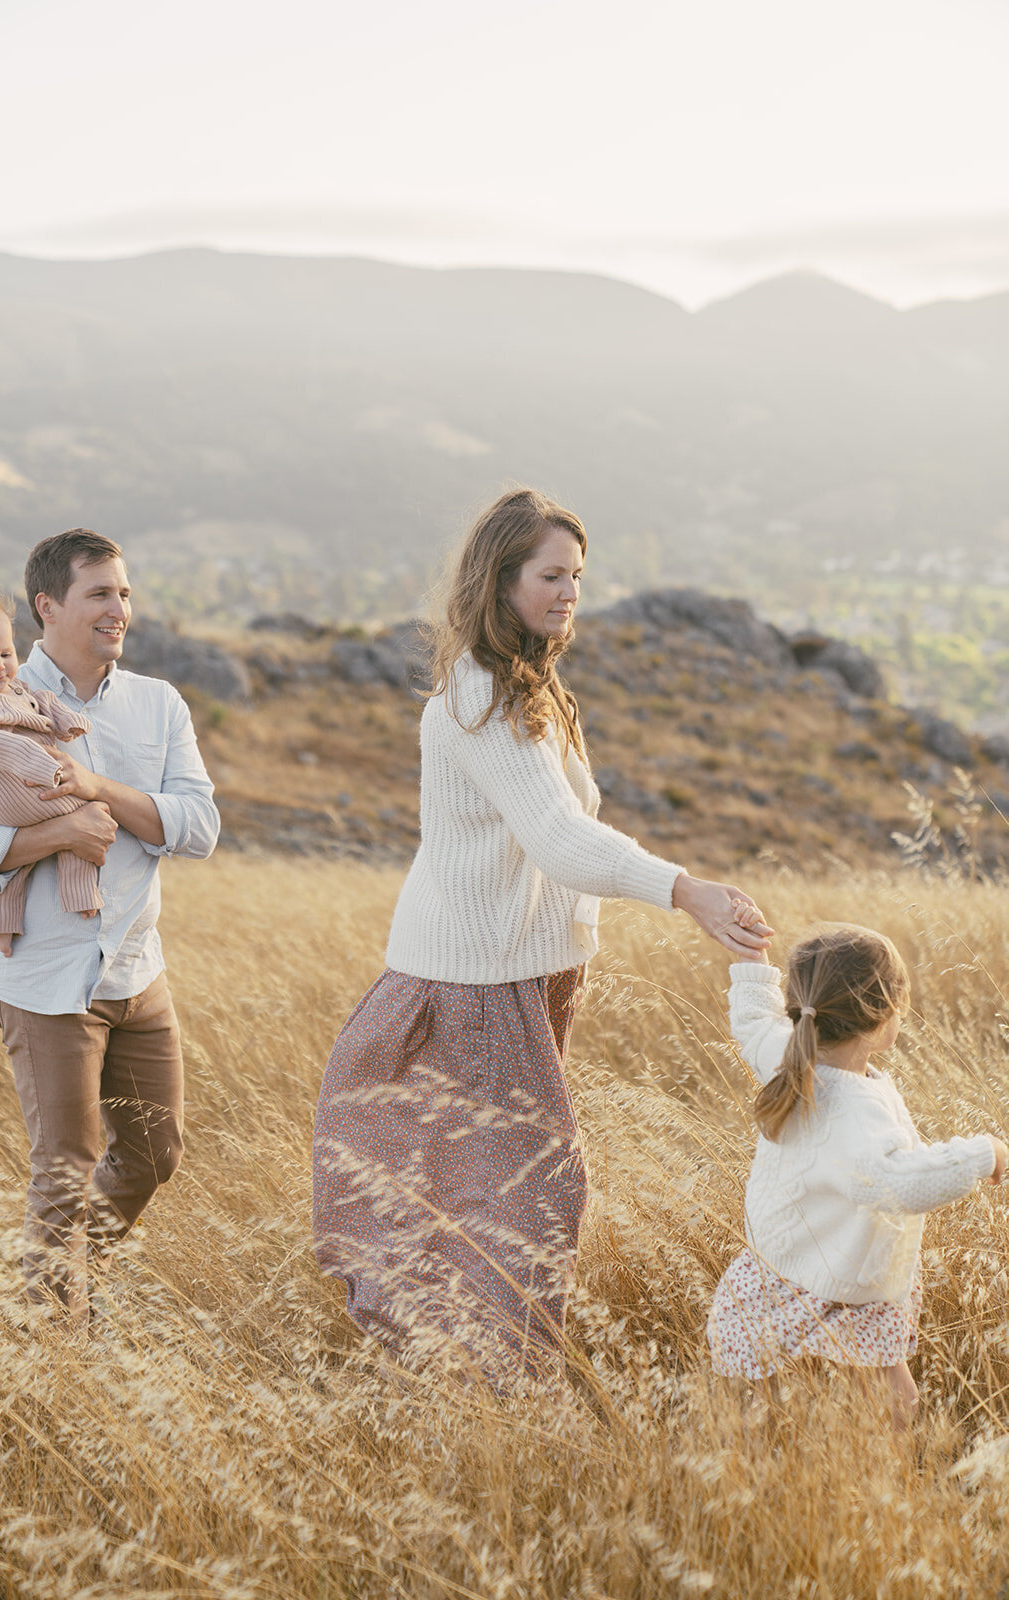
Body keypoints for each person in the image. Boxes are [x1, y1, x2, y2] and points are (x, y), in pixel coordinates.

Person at [312, 486, 772, 1380]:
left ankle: (464, 1371)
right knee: (533, 1196)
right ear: (500, 580)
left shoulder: (530, 685)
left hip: (523, 974)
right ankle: (509, 1386)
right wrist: (686, 891)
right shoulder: (479, 695)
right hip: (477, 984)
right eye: (550, 576)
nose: (569, 593)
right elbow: (558, 838)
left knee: (488, 1191)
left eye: (577, 577)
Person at [0, 528, 220, 1325]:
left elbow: (199, 827)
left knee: (155, 1154)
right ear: (48, 606)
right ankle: (56, 1337)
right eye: (99, 593)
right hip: (41, 975)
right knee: (64, 1170)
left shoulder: (158, 703)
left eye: (124, 593)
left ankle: (60, 1275)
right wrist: (56, 834)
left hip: (136, 969)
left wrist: (97, 791)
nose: (118, 609)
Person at [707, 914, 1008, 1430]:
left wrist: (751, 958)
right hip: (843, 1278)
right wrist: (985, 1153)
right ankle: (882, 1470)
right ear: (883, 1018)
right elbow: (900, 1182)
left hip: (783, 1267)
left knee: (766, 1398)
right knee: (893, 1400)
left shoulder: (789, 1053)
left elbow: (754, 1020)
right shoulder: (854, 1108)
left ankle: (766, 1460)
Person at [0, 584, 104, 959]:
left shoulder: (9, 687)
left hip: (5, 805)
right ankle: (80, 894)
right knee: (84, 812)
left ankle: (1, 928)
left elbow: (40, 701)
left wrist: (64, 720)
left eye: (6, 653)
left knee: (11, 863)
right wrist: (42, 764)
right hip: (12, 793)